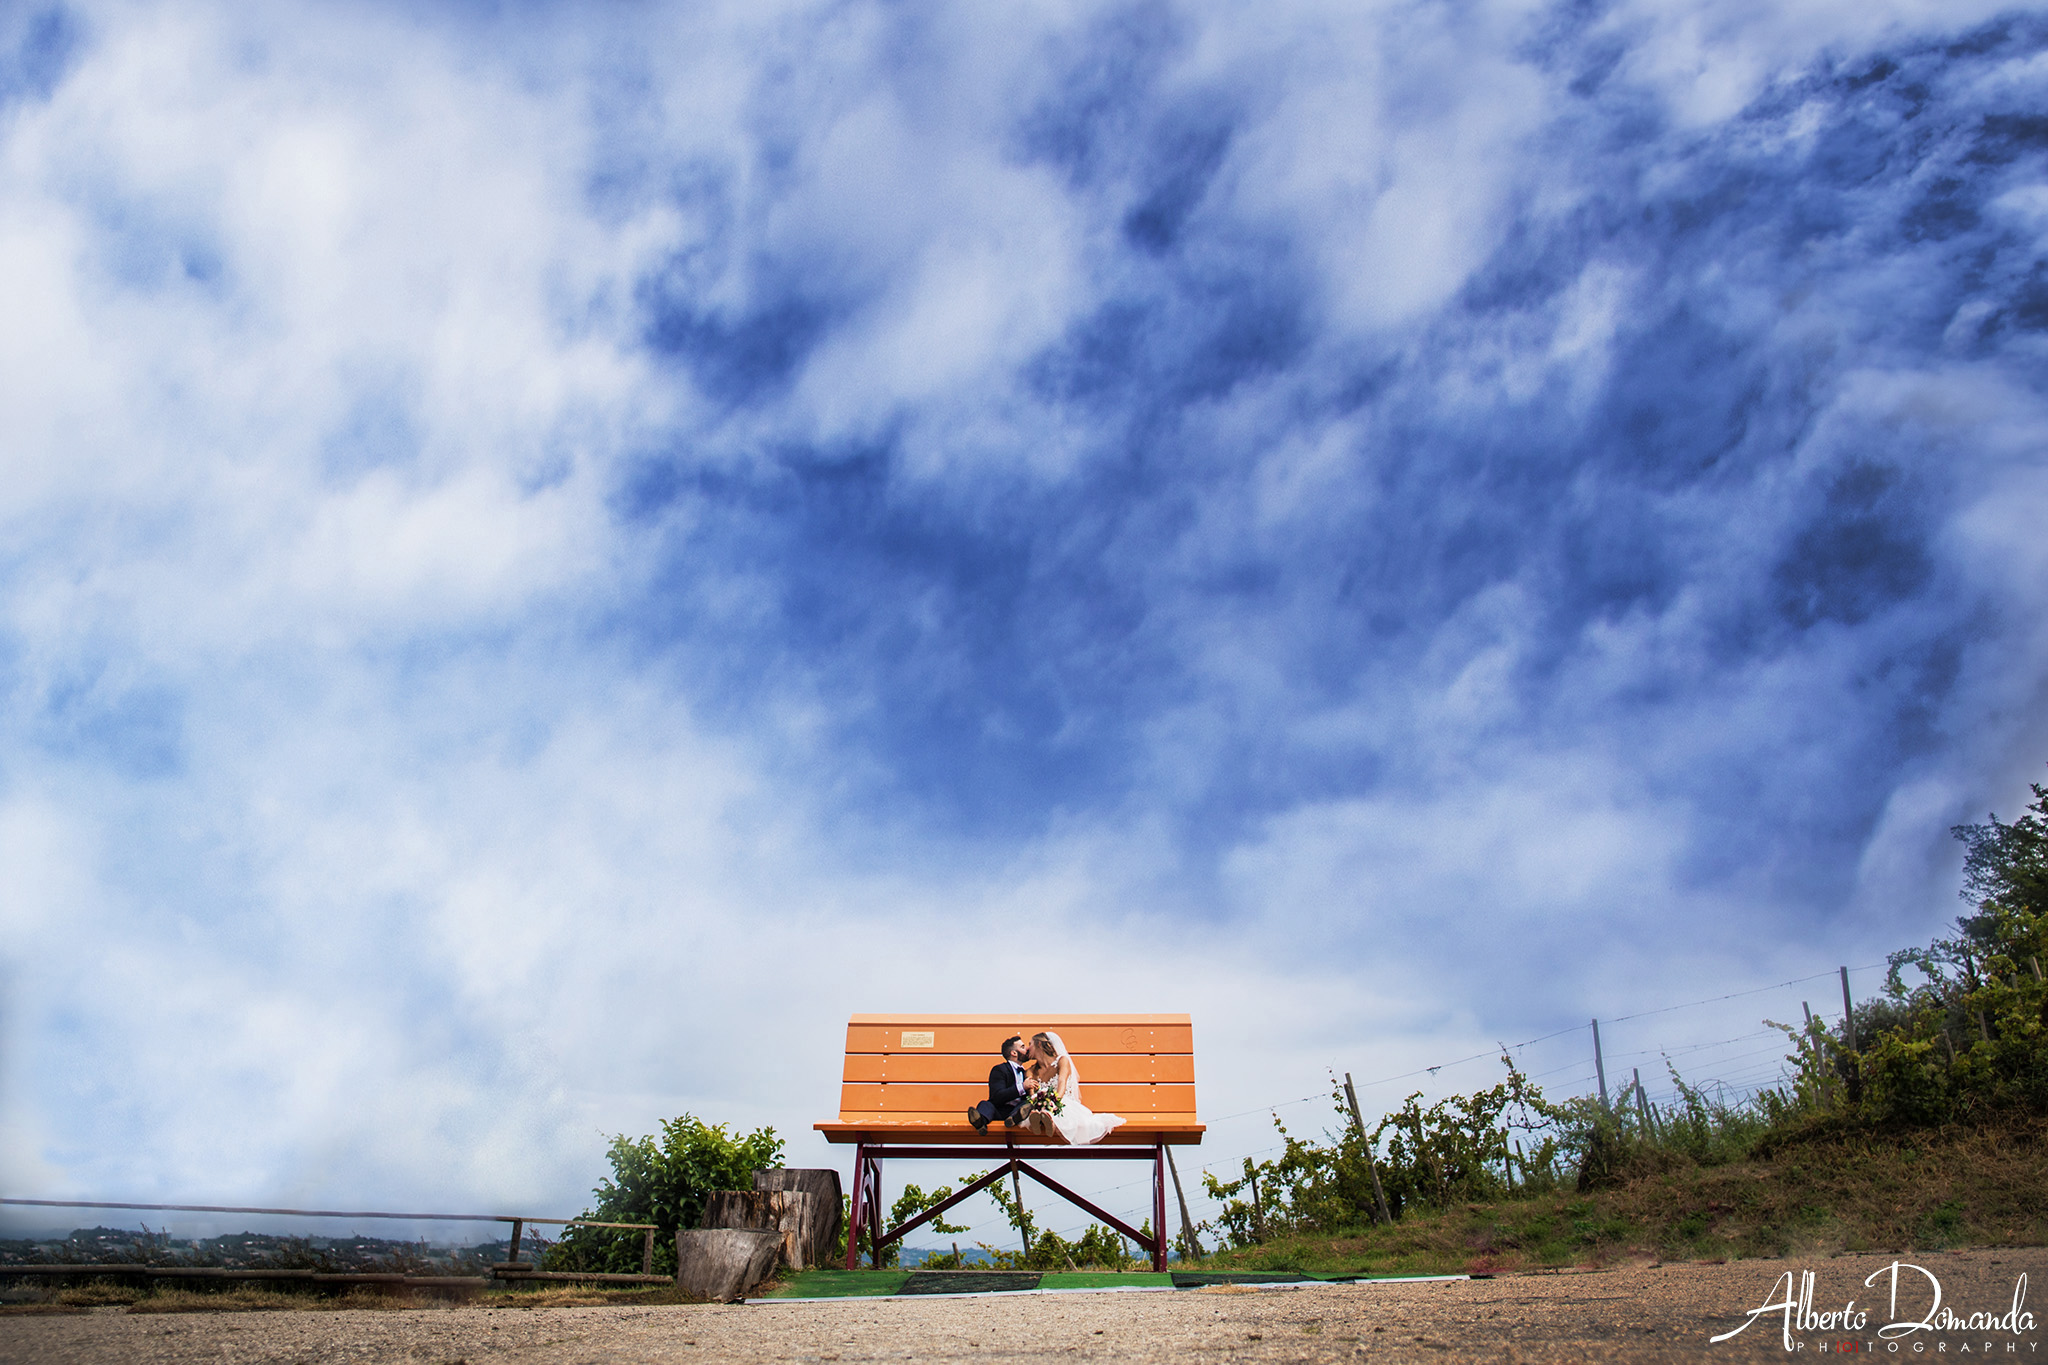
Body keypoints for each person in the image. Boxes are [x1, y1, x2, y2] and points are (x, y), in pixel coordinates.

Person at [1019, 1030, 1125, 1145]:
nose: (1028, 1049)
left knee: (1060, 1112)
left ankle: (1049, 1120)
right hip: (1040, 1106)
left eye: (1030, 1044)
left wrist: (1053, 1103)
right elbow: (1032, 1094)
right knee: (1036, 1112)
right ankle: (1043, 1119)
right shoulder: (1030, 1071)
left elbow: (1062, 1083)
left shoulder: (1062, 1061)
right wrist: (1039, 1102)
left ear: (1039, 1044)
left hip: (1061, 1102)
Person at [966, 1035, 1030, 1134]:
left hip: (1017, 1110)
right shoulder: (1000, 1069)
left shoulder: (1027, 1073)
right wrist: (1022, 1087)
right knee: (985, 1104)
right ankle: (980, 1122)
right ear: (1014, 1053)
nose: (1027, 1049)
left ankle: (1013, 1119)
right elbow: (997, 1096)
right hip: (999, 1110)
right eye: (1022, 1047)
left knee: (1026, 1104)